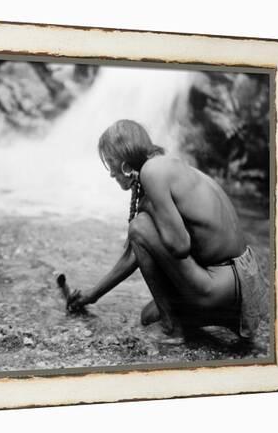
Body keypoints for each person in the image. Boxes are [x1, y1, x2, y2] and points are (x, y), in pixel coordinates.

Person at [67, 119, 261, 341]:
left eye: (110, 162)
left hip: (223, 281)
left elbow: (179, 245)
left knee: (139, 226)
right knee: (149, 316)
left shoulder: (152, 172)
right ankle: (228, 318)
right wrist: (91, 296)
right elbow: (133, 255)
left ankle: (172, 329)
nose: (111, 174)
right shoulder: (166, 165)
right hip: (243, 282)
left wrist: (148, 209)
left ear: (124, 164)